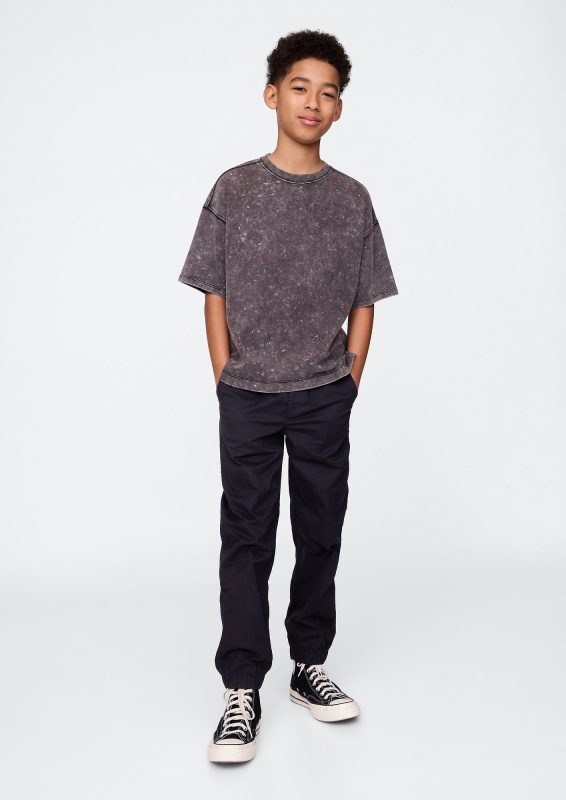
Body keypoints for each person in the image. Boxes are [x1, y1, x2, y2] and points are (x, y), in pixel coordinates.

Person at [178, 29, 398, 763]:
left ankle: (309, 666)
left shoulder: (352, 199)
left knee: (320, 529)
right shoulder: (234, 189)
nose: (313, 101)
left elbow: (366, 295)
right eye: (300, 87)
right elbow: (212, 288)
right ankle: (242, 687)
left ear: (339, 109)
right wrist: (224, 373)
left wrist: (350, 378)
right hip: (246, 392)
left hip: (324, 393)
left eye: (328, 92)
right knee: (246, 537)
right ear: (272, 95)